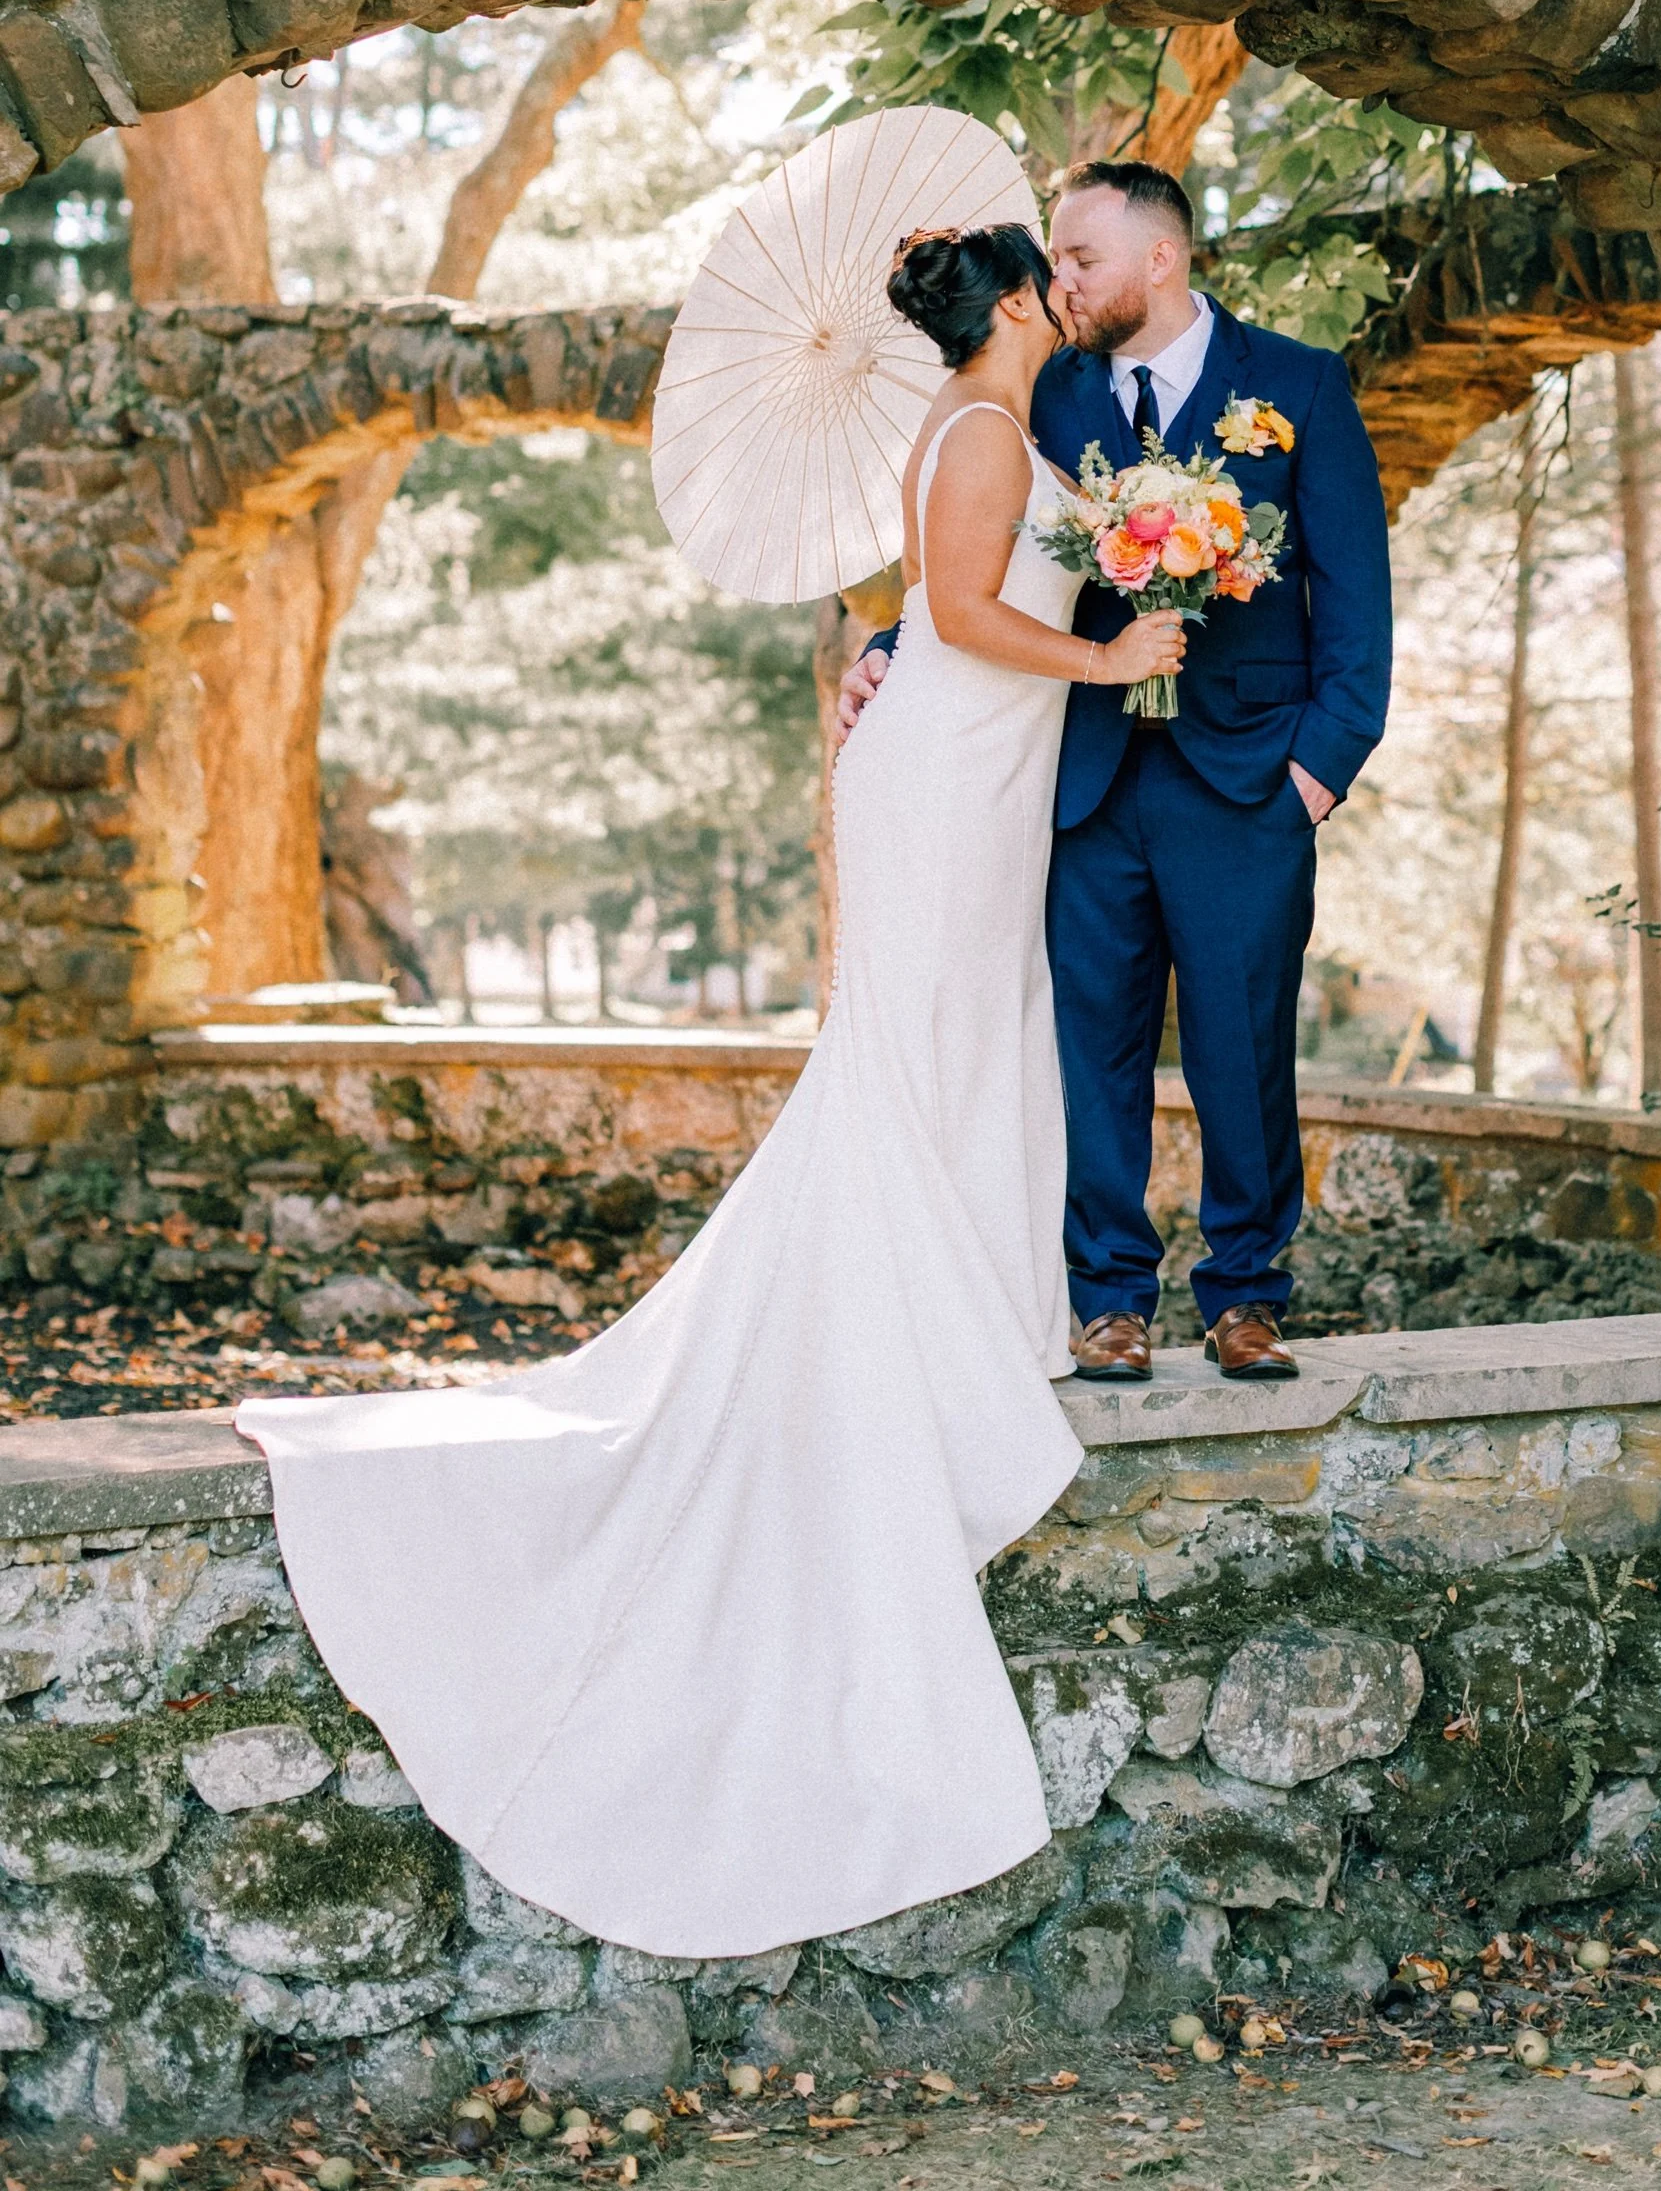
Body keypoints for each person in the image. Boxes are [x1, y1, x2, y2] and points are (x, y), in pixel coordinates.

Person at [236, 223, 1185, 1961]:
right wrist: (1118, 655)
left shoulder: (1020, 439)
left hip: (977, 784)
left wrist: (1134, 570)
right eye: (1049, 273)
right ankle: (920, 1341)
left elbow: (930, 615)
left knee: (970, 1035)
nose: (1070, 284)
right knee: (909, 1056)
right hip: (946, 777)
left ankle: (967, 1318)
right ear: (1020, 308)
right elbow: (966, 613)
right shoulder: (978, 439)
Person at [839, 160, 1392, 1386]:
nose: (1063, 280)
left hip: (1249, 779)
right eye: (1055, 260)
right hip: (1076, 780)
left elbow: (1356, 593)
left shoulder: (1296, 386)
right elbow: (970, 561)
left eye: (1082, 257)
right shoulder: (1044, 396)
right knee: (1087, 1045)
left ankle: (1246, 1294)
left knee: (1246, 1048)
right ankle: (1107, 1299)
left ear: (1162, 257)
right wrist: (890, 651)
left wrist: (1322, 767)